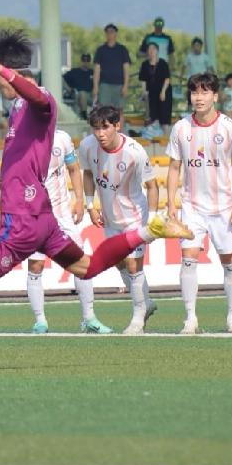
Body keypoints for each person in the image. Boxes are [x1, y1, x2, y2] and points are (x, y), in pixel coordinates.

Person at [0, 31, 192, 374]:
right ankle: (151, 230)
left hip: (22, 225)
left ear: (9, 73)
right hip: (40, 218)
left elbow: (38, 97)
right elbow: (24, 149)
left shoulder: (40, 100)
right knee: (86, 267)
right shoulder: (17, 109)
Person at [166, 73, 232, 334]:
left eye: (204, 92)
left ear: (215, 96)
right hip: (192, 206)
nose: (198, 98)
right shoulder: (180, 128)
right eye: (194, 93)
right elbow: (173, 167)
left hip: (224, 207)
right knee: (188, 258)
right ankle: (190, 318)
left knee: (229, 261)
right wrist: (171, 204)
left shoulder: (229, 127)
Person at [79, 106, 162, 335]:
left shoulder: (135, 152)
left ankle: (138, 317)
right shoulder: (87, 146)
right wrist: (90, 206)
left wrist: (152, 221)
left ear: (117, 126)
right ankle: (146, 302)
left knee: (134, 265)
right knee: (119, 263)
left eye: (105, 128)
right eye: (95, 128)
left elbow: (152, 186)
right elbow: (87, 173)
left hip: (135, 217)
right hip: (110, 218)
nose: (100, 134)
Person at [26, 128, 112, 335]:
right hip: (34, 215)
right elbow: (6, 177)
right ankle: (40, 321)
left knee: (82, 263)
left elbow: (73, 169)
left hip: (62, 214)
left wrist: (80, 200)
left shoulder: (62, 138)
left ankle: (89, 318)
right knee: (36, 265)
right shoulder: (22, 139)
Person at [92, 23, 131, 110]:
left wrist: (126, 85)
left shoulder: (122, 49)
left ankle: (119, 124)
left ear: (116, 33)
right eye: (108, 32)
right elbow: (97, 69)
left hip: (119, 84)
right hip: (105, 84)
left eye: (112, 32)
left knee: (119, 110)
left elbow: (126, 68)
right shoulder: (101, 50)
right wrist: (95, 86)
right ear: (105, 34)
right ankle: (106, 124)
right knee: (104, 109)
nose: (110, 34)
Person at [138, 43, 171, 129]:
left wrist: (163, 91)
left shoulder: (163, 63)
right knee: (151, 117)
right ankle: (152, 138)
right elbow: (143, 80)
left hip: (163, 92)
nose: (151, 51)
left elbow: (167, 79)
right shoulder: (144, 64)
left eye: (153, 49)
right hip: (151, 93)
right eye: (149, 49)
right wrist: (144, 91)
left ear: (157, 51)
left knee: (164, 117)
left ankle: (166, 138)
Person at [63, 53, 93, 118]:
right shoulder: (74, 71)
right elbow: (62, 79)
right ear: (81, 61)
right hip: (77, 94)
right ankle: (84, 114)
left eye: (87, 60)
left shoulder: (92, 72)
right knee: (82, 94)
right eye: (84, 60)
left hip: (91, 95)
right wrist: (69, 89)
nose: (85, 62)